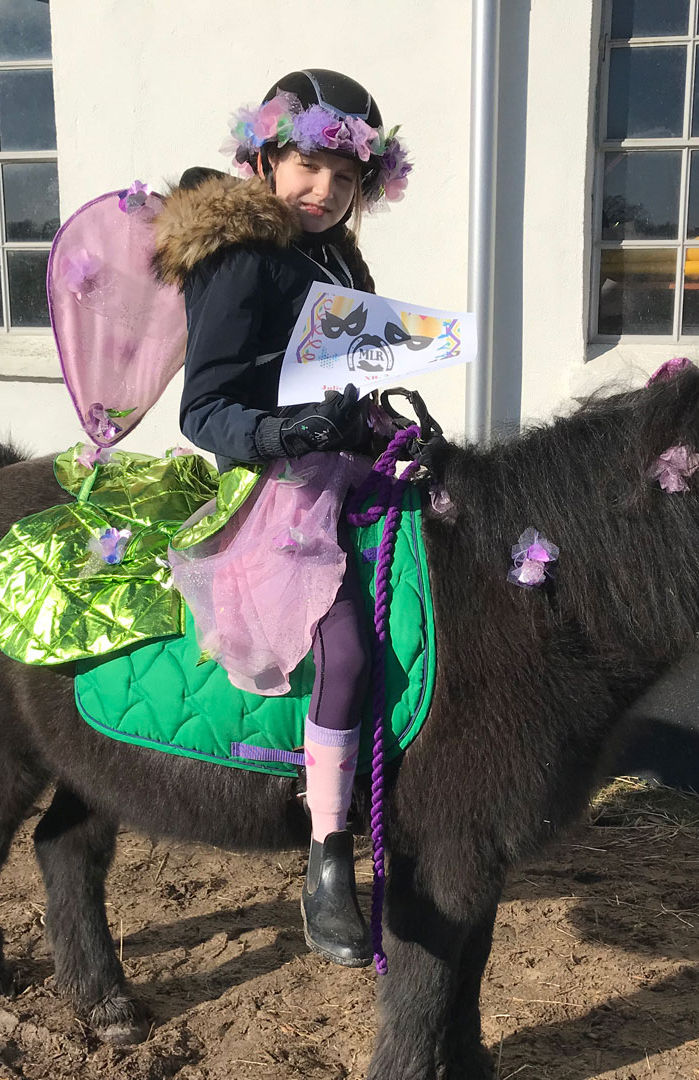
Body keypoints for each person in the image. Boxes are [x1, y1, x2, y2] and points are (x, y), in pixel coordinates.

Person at [152, 69, 412, 969]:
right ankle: (329, 854)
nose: (326, 192)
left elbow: (347, 369)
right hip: (278, 488)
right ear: (266, 159)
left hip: (351, 463)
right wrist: (285, 431)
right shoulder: (241, 255)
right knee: (346, 647)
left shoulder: (341, 260)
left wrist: (379, 413)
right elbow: (204, 409)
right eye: (310, 169)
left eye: (346, 182)